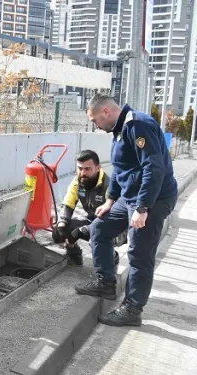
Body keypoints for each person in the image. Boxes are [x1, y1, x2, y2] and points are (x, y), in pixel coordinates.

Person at [75, 94, 178, 327]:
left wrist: (143, 207)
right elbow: (122, 169)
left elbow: (154, 168)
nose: (95, 125)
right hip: (129, 197)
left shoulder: (137, 125)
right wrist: (110, 201)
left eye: (94, 120)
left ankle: (133, 308)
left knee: (139, 252)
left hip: (153, 198)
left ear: (106, 112)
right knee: (99, 227)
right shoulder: (119, 131)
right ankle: (106, 283)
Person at [53, 149, 128, 266]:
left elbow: (112, 218)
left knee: (96, 239)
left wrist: (84, 230)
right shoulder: (78, 181)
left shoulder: (109, 185)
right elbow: (68, 204)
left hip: (114, 227)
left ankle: (111, 259)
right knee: (59, 231)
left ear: (98, 168)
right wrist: (62, 224)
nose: (82, 173)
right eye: (80, 168)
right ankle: (75, 257)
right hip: (93, 220)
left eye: (87, 169)